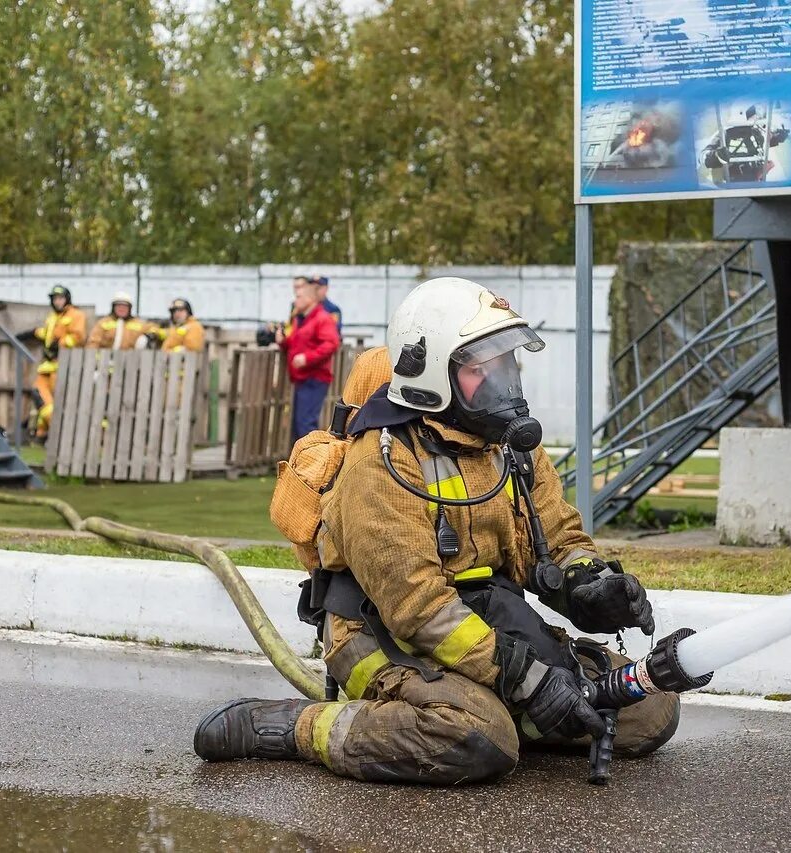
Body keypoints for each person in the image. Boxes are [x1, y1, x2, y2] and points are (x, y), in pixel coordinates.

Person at [192, 277, 677, 786]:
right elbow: (419, 608)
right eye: (479, 369)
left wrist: (588, 585)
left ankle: (494, 708)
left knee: (651, 711)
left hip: (487, 618)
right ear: (432, 373)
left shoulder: (510, 444)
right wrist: (530, 679)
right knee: (477, 738)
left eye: (506, 363)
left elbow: (557, 537)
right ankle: (295, 726)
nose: (503, 382)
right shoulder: (384, 461)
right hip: (381, 631)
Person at [277, 277, 340, 443]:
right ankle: (303, 464)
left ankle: (312, 465)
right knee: (299, 425)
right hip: (303, 378)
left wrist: (307, 358)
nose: (295, 300)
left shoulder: (322, 318)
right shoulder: (301, 319)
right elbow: (297, 343)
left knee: (306, 425)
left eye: (299, 297)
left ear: (310, 298)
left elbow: (331, 343)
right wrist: (283, 341)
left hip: (315, 378)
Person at [31, 285, 87, 439]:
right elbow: (49, 334)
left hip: (64, 366)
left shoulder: (76, 315)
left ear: (67, 299)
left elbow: (78, 337)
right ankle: (42, 433)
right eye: (55, 299)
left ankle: (59, 433)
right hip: (47, 366)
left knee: (60, 402)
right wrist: (34, 333)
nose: (57, 302)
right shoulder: (52, 317)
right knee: (40, 397)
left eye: (60, 298)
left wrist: (60, 344)